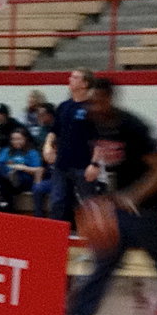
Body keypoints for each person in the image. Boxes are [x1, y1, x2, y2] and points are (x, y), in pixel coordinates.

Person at [62, 77, 157, 315]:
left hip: (149, 210)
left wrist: (133, 196)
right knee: (103, 264)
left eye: (98, 100)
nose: (94, 105)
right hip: (120, 210)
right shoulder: (93, 125)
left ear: (110, 100)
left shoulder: (132, 127)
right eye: (91, 100)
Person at [45, 67, 95, 225]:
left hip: (83, 165)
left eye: (75, 77)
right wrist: (47, 146)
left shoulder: (92, 108)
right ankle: (54, 239)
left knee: (88, 204)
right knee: (57, 202)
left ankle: (94, 242)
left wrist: (95, 164)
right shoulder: (63, 106)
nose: (70, 79)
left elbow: (99, 140)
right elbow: (54, 132)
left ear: (85, 84)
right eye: (71, 77)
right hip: (62, 164)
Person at [0, 128, 42, 210]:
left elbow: (38, 170)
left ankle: (10, 178)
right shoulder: (7, 151)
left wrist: (24, 168)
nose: (16, 142)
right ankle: (8, 178)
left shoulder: (32, 153)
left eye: (19, 139)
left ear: (25, 139)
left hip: (23, 179)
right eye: (13, 139)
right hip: (7, 180)